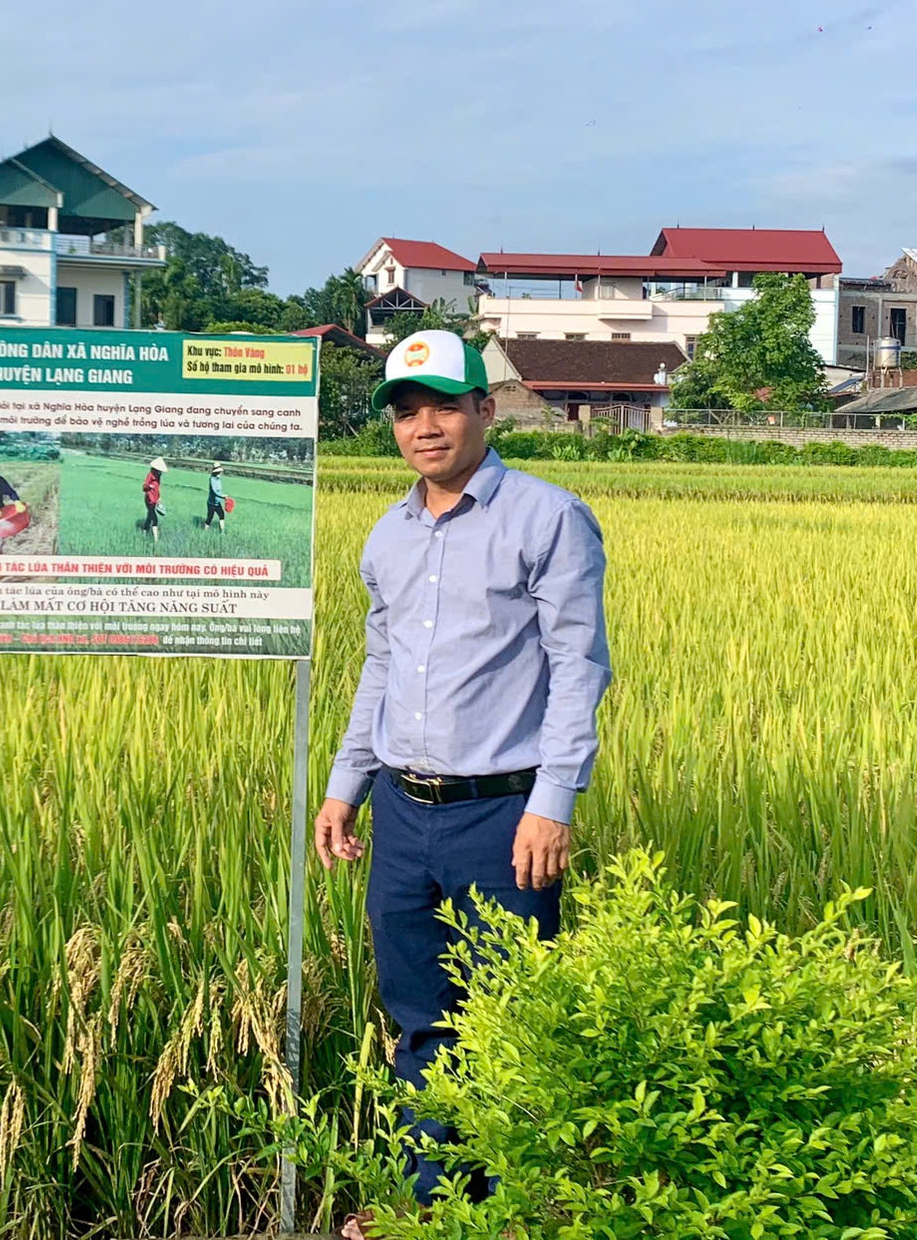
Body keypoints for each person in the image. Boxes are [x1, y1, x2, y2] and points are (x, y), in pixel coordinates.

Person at [311, 330, 611, 1223]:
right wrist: (345, 783)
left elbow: (578, 665)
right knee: (421, 1021)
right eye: (407, 412)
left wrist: (552, 804)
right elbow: (381, 666)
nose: (426, 427)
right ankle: (432, 1210)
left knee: (512, 1021)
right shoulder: (389, 533)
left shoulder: (547, 517)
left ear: (486, 408)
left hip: (503, 816)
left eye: (445, 405)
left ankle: (515, 1210)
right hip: (404, 814)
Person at [139, 456, 166, 544]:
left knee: (149, 517)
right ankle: (156, 540)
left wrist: (159, 498)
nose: (160, 472)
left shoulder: (158, 476)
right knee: (155, 519)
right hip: (149, 499)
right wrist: (149, 486)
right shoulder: (150, 475)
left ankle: (144, 531)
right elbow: (144, 487)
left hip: (155, 500)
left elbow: (158, 489)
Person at [204, 462, 228, 531]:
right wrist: (222, 496)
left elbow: (219, 490)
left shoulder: (218, 480)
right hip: (211, 503)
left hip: (217, 502)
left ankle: (222, 531)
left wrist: (223, 497)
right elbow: (215, 491)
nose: (220, 473)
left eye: (220, 472)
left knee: (222, 515)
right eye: (218, 472)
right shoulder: (212, 479)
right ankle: (205, 531)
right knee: (209, 518)